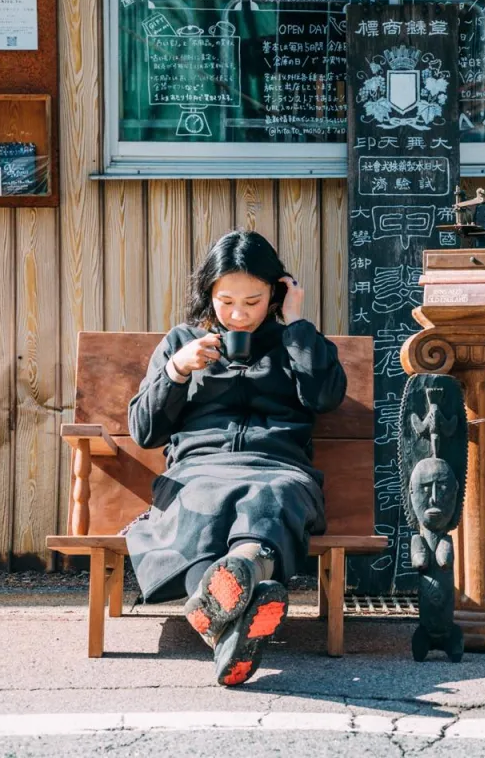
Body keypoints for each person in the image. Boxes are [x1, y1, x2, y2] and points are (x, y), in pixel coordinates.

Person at [125, 231, 347, 686]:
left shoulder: (296, 342)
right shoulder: (182, 342)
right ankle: (244, 595)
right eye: (226, 301)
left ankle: (237, 580)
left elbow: (326, 397)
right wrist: (176, 370)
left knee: (275, 493)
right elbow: (144, 431)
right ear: (208, 294)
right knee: (201, 499)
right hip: (197, 471)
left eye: (254, 300)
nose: (239, 315)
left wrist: (297, 325)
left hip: (278, 469)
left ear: (277, 293)